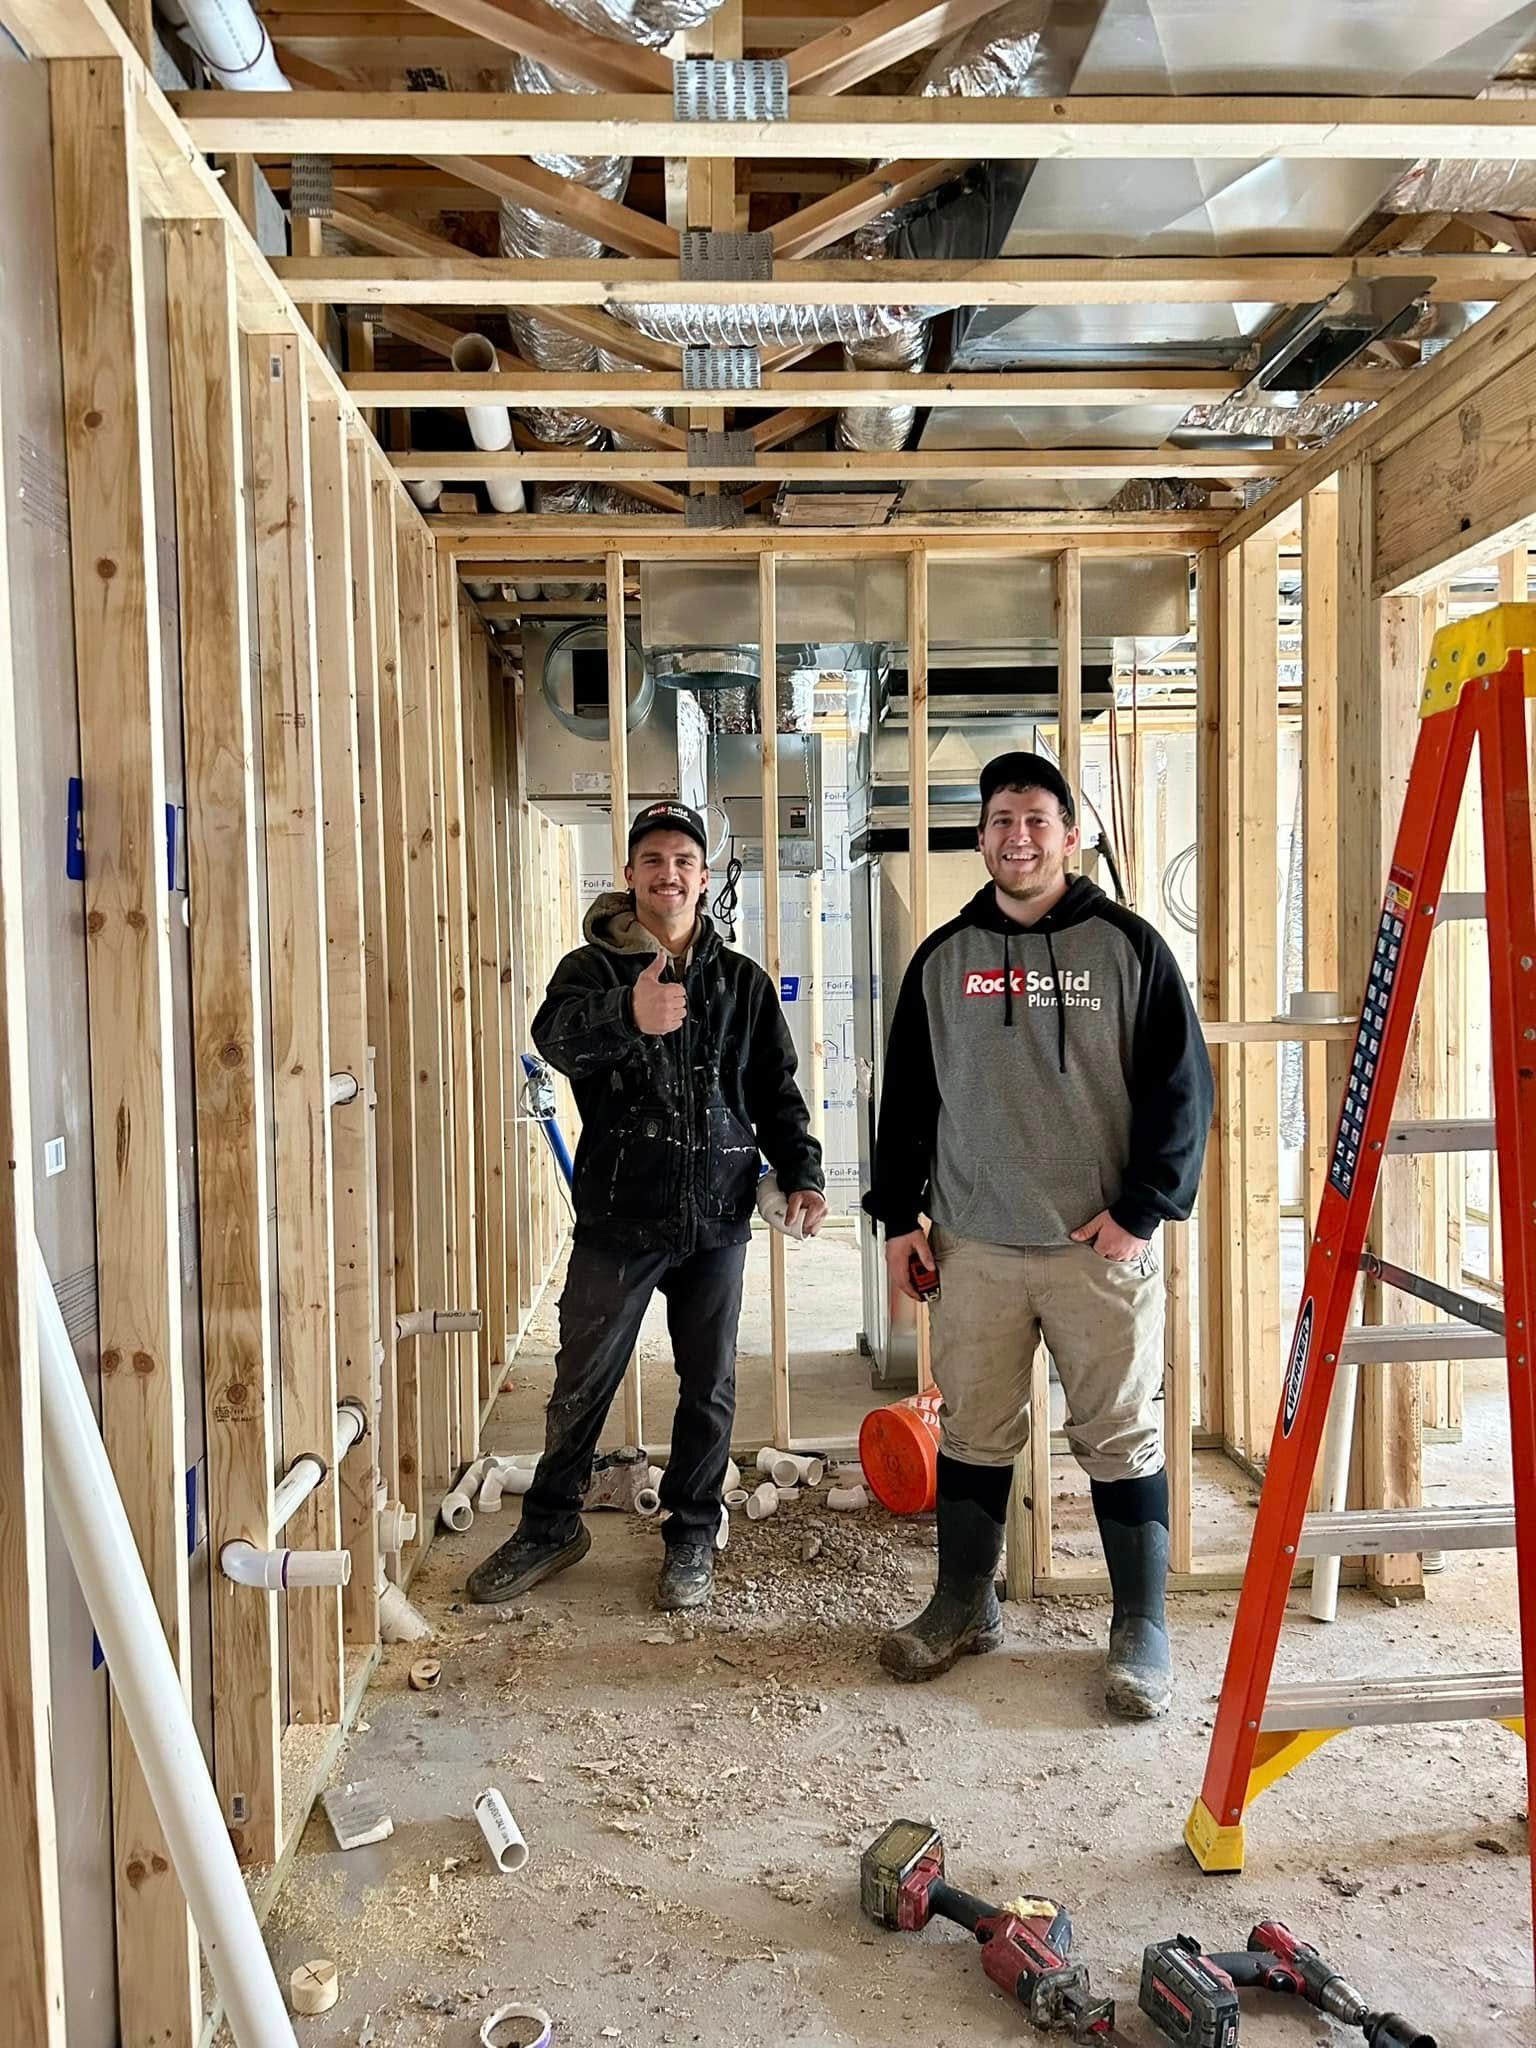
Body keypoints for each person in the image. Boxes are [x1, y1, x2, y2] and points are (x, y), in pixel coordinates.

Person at [863, 751, 1213, 1716]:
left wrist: (1141, 1210)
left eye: (1037, 821)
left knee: (1120, 1433)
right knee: (975, 1430)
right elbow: (909, 1105)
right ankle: (964, 1602)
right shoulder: (942, 961)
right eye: (1001, 821)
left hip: (1098, 1247)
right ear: (980, 838)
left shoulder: (1129, 947)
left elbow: (1185, 1095)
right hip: (976, 1245)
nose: (1019, 837)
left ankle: (1139, 1625)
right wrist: (901, 1219)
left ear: (1070, 835)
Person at [468, 798, 827, 1614]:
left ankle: (692, 1530)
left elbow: (777, 1092)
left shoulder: (741, 984)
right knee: (581, 1379)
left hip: (717, 1217)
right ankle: (551, 1524)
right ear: (629, 876)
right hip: (618, 1216)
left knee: (709, 1384)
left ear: (704, 879)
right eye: (654, 861)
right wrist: (628, 1015)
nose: (670, 875)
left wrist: (801, 1172)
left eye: (685, 863)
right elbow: (555, 1040)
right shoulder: (589, 972)